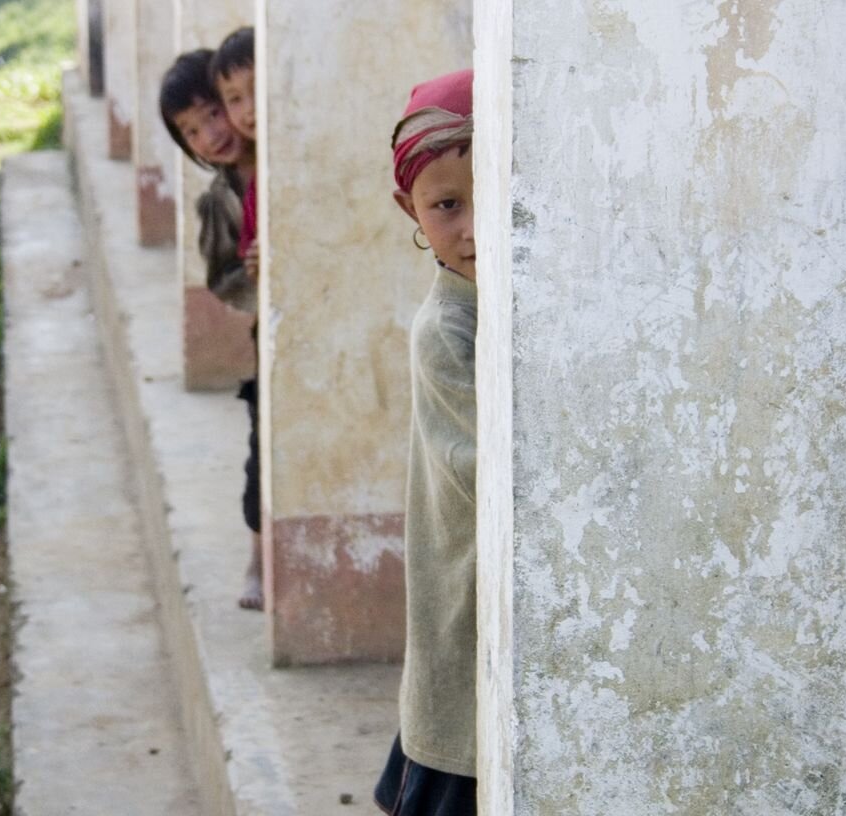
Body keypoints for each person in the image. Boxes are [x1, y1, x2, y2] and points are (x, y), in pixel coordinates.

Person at [374, 68, 480, 816]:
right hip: (466, 592)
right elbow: (492, 464)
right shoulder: (448, 329)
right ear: (407, 209)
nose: (473, 227)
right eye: (446, 206)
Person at [159, 50, 265, 611]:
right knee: (262, 451)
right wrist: (251, 280)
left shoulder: (283, 158)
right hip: (265, 335)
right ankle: (258, 555)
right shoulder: (219, 200)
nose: (208, 135)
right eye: (190, 131)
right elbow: (220, 281)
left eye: (212, 114)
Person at [210, 26, 259, 282]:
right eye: (235, 99)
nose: (250, 110)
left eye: (257, 88)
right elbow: (251, 261)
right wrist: (255, 264)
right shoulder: (254, 186)